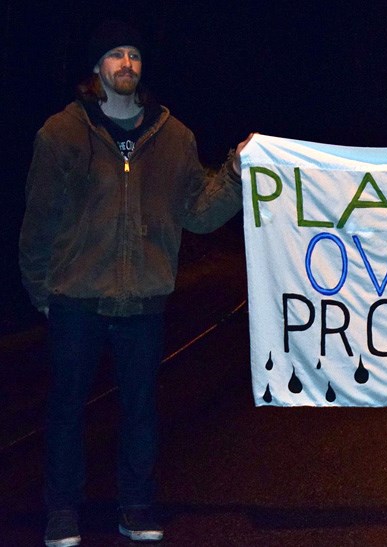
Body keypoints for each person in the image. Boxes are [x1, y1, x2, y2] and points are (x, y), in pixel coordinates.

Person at [19, 19, 251, 546]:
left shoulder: (174, 137)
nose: (127, 63)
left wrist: (236, 174)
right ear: (96, 67)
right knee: (66, 410)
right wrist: (41, 292)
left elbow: (198, 212)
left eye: (135, 55)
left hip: (144, 298)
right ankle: (61, 511)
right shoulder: (60, 133)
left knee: (141, 410)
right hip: (77, 297)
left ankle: (138, 506)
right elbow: (38, 222)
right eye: (116, 54)